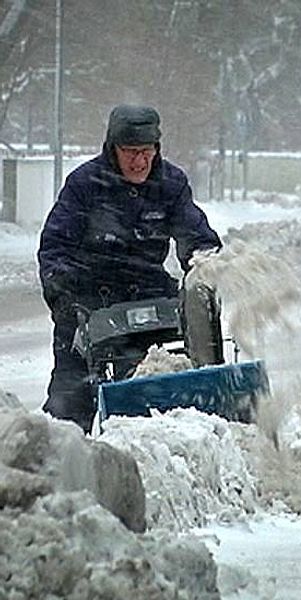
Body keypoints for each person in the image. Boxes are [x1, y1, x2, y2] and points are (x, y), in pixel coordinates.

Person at [37, 104, 222, 433]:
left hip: (148, 292)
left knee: (178, 358)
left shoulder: (171, 184)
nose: (139, 162)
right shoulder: (84, 185)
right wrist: (64, 293)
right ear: (112, 148)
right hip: (90, 297)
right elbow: (55, 247)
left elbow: (196, 238)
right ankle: (61, 460)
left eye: (146, 151)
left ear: (157, 148)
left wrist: (204, 266)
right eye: (130, 152)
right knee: (70, 397)